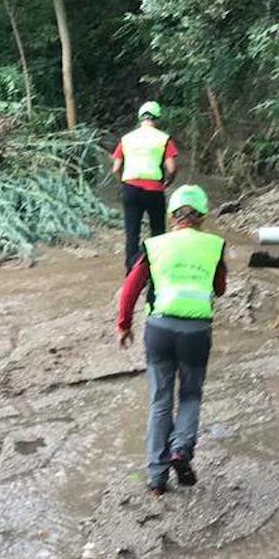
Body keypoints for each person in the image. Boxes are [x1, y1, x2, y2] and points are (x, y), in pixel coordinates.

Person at [116, 184, 228, 496]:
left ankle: (156, 478)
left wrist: (124, 325)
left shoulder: (155, 245)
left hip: (159, 330)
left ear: (172, 215)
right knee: (190, 395)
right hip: (196, 333)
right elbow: (219, 288)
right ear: (202, 216)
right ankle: (181, 449)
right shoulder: (214, 246)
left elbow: (130, 290)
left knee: (160, 401)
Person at [111, 101, 178, 274]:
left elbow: (116, 168)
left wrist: (124, 183)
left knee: (132, 233)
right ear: (157, 118)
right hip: (154, 190)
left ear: (140, 118)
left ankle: (131, 272)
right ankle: (157, 270)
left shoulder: (126, 139)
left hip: (130, 188)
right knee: (158, 231)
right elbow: (171, 168)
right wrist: (167, 182)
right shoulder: (163, 138)